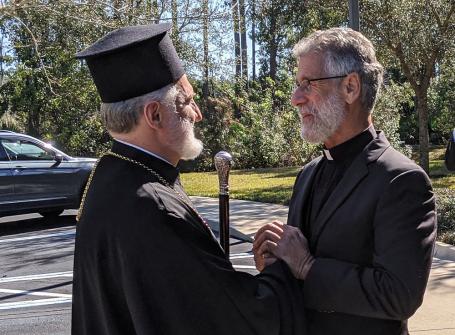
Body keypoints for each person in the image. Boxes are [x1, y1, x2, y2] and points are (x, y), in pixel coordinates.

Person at [71, 23, 306, 335]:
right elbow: (239, 318)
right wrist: (283, 267)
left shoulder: (106, 175)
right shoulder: (153, 207)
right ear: (154, 115)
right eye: (186, 101)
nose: (197, 113)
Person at [253, 28, 436, 335]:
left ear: (350, 87)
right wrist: (278, 266)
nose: (296, 99)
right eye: (297, 85)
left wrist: (307, 267)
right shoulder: (308, 174)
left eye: (308, 84)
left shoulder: (402, 180)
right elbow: (300, 283)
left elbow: (399, 296)